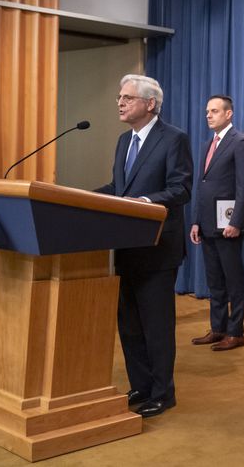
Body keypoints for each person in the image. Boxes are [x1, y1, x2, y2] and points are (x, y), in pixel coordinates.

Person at [95, 74, 193, 418]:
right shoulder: (124, 140)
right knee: (130, 325)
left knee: (156, 327)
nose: (120, 103)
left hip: (157, 249)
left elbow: (180, 189)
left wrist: (144, 202)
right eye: (119, 98)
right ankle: (141, 385)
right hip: (124, 248)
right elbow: (117, 187)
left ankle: (163, 393)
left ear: (150, 104)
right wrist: (83, 196)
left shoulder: (174, 138)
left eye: (127, 98)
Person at [190, 95, 244, 351]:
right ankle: (217, 329)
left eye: (214, 111)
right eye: (207, 111)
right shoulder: (208, 144)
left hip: (228, 224)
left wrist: (237, 222)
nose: (208, 115)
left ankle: (236, 332)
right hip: (206, 224)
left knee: (233, 281)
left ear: (229, 114)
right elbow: (202, 185)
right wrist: (195, 221)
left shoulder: (241, 142)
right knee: (214, 281)